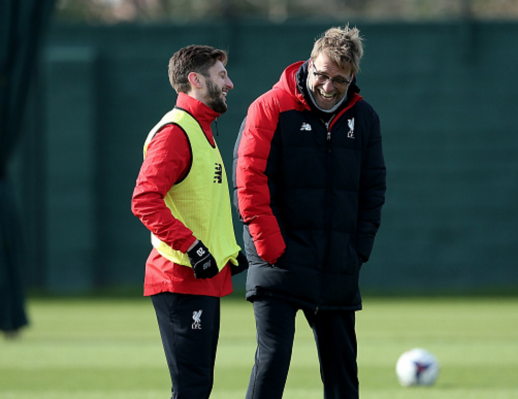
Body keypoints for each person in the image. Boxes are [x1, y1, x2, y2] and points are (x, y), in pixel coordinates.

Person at [233, 25, 386, 399]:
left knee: (342, 374)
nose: (329, 86)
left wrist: (357, 250)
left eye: (340, 79)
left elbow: (373, 189)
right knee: (272, 363)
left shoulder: (364, 118)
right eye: (321, 74)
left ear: (352, 77)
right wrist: (272, 250)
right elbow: (249, 182)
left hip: (336, 264)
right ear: (310, 64)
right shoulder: (270, 107)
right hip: (278, 260)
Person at [131, 44, 248, 399]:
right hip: (179, 277)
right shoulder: (176, 132)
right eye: (221, 75)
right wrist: (192, 247)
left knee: (197, 386)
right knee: (192, 388)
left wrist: (227, 251)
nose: (230, 83)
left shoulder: (202, 129)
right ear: (195, 80)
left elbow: (200, 207)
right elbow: (144, 200)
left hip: (200, 279)